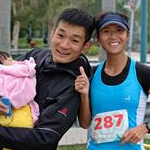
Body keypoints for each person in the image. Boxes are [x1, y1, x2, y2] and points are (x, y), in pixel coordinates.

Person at [0, 8, 95, 150]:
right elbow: (5, 76)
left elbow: (45, 138)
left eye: (74, 40)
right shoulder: (35, 56)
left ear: (86, 46)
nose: (64, 45)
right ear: (53, 32)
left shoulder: (74, 86)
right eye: (61, 35)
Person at [75, 12, 150, 150]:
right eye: (106, 31)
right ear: (98, 38)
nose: (113, 36)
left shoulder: (143, 73)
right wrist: (84, 94)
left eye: (119, 30)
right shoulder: (90, 74)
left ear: (127, 35)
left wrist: (145, 127)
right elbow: (85, 123)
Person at [0, 51, 39, 150]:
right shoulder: (25, 70)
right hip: (21, 114)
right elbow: (28, 89)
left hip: (8, 114)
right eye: (9, 59)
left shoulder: (23, 69)